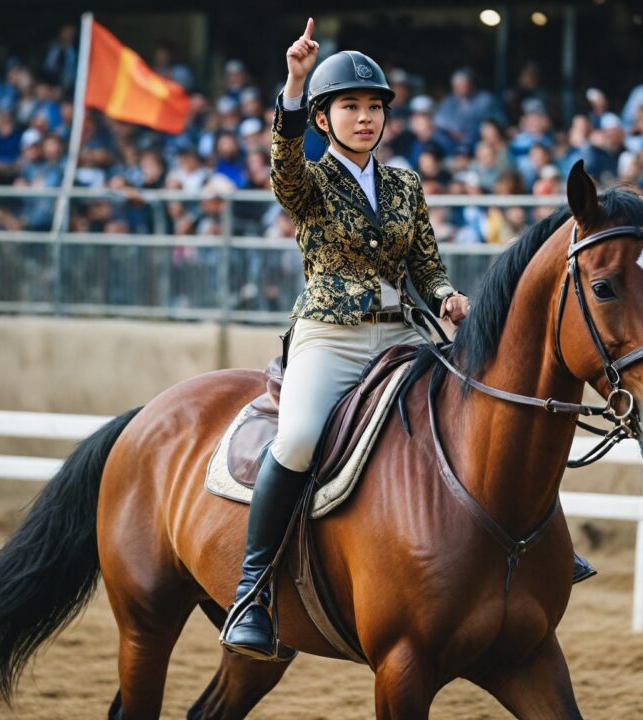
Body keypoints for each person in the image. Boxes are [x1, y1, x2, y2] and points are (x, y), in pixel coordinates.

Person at [220, 17, 470, 661]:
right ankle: (253, 591)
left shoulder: (404, 183)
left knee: (474, 408)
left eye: (373, 107)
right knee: (299, 437)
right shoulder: (309, 178)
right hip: (330, 338)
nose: (364, 117)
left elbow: (425, 261)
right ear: (325, 120)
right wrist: (296, 85)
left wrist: (443, 293)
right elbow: (282, 168)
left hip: (402, 336)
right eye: (350, 107)